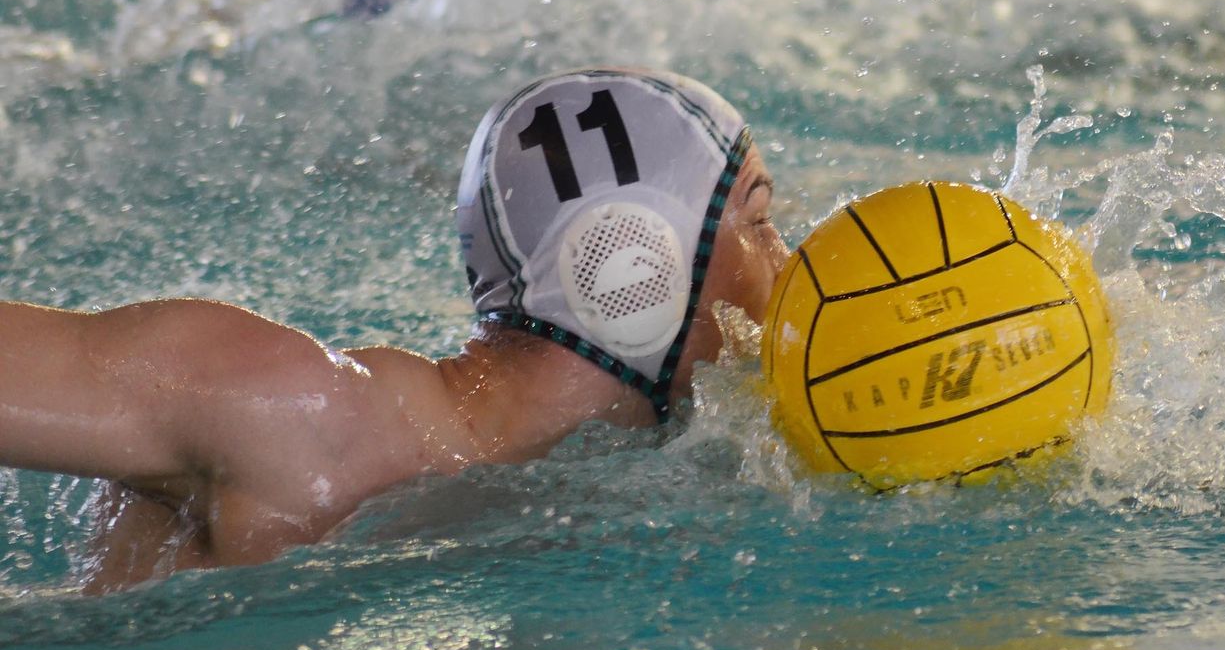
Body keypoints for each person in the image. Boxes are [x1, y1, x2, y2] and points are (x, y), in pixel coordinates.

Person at [0, 68, 789, 591]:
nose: (788, 265)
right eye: (760, 221)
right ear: (630, 268)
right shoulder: (295, 415)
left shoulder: (641, 478)